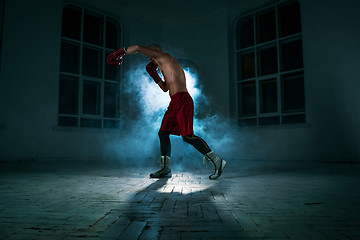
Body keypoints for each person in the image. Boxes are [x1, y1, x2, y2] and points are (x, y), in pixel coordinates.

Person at [107, 44, 226, 180]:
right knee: (163, 133)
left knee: (188, 136)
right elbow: (165, 88)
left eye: (150, 54)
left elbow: (138, 47)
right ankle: (165, 169)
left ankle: (217, 161)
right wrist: (155, 75)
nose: (148, 57)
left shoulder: (163, 56)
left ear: (156, 51)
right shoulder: (164, 64)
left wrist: (119, 53)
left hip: (182, 100)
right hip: (174, 101)